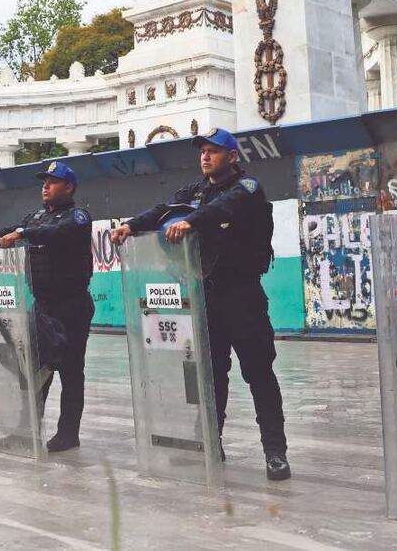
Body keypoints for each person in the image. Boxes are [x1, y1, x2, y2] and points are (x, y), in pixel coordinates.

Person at [111, 127, 291, 481]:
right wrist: (131, 226)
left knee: (259, 374)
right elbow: (163, 210)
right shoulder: (194, 192)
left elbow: (224, 207)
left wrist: (190, 221)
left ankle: (275, 452)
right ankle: (209, 444)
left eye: (214, 151)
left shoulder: (247, 188)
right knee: (209, 376)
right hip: (205, 295)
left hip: (242, 296)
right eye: (203, 151)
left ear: (232, 156)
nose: (205, 156)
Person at [0, 161, 94, 453]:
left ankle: (68, 434)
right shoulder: (35, 217)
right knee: (32, 370)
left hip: (71, 305)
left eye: (53, 181)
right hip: (42, 304)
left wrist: (24, 234)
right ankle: (27, 431)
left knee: (70, 370)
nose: (45, 186)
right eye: (44, 181)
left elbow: (57, 232)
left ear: (69, 187)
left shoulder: (78, 217)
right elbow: (12, 229)